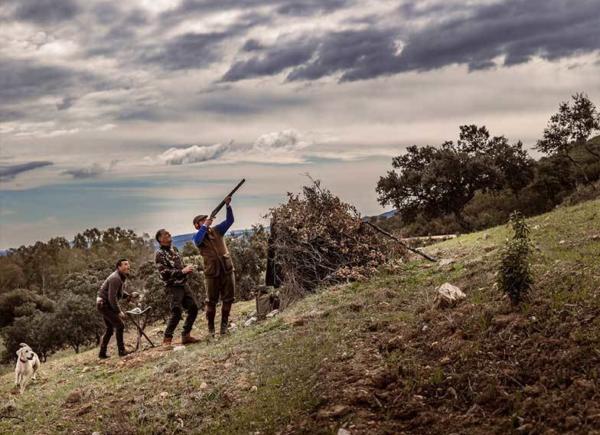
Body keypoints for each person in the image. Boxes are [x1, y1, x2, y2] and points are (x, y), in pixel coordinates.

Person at [192, 196, 235, 337]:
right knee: (211, 302)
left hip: (227, 269)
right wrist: (204, 226)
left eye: (206, 219)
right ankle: (211, 330)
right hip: (212, 273)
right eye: (202, 221)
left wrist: (228, 206)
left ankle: (224, 327)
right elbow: (197, 240)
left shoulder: (217, 230)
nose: (206, 221)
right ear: (198, 225)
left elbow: (230, 221)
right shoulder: (198, 237)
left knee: (228, 299)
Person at [155, 229, 200, 345]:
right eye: (166, 234)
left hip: (183, 284)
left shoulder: (174, 249)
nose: (169, 235)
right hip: (173, 286)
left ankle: (186, 335)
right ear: (160, 239)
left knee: (194, 308)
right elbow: (164, 272)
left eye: (169, 233)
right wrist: (182, 271)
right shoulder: (159, 254)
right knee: (177, 311)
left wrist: (187, 268)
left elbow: (180, 265)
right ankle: (167, 340)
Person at [96, 258, 132, 358]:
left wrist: (128, 295)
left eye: (128, 264)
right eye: (125, 264)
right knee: (120, 325)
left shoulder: (120, 276)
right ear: (119, 267)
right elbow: (112, 297)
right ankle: (122, 351)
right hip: (104, 304)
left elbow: (118, 292)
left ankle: (102, 353)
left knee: (110, 329)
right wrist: (119, 311)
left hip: (104, 303)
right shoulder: (115, 278)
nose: (127, 266)